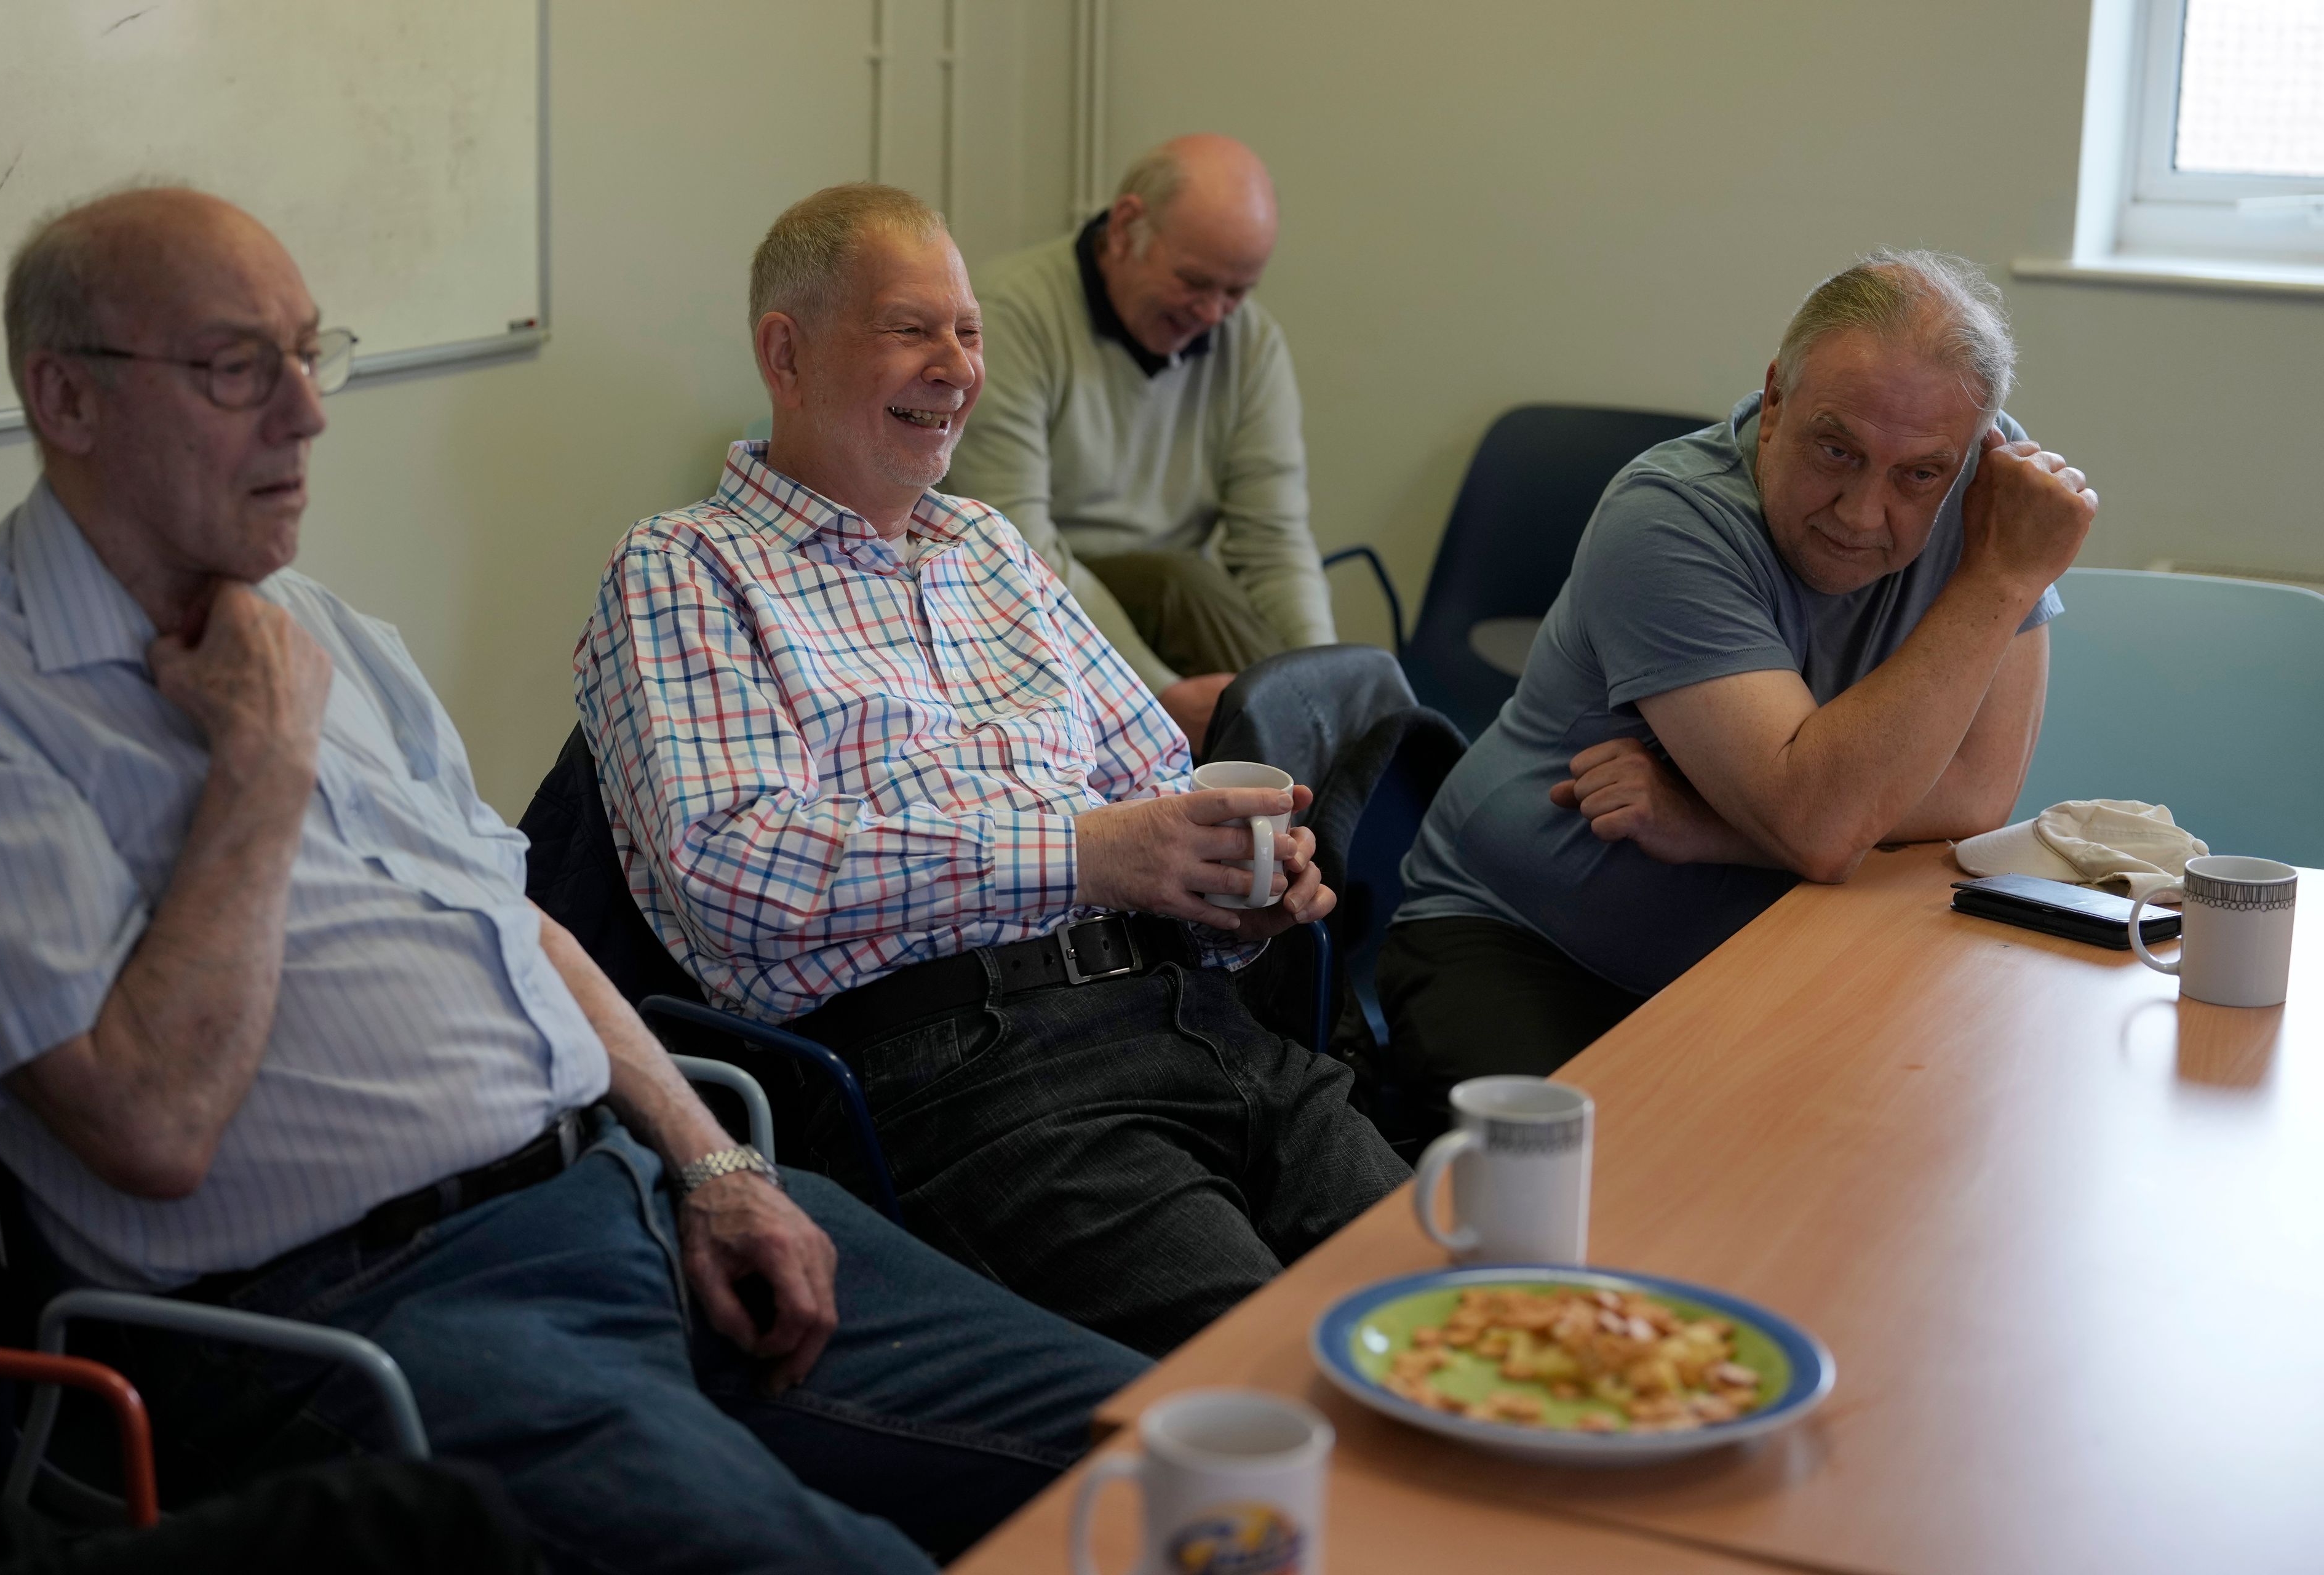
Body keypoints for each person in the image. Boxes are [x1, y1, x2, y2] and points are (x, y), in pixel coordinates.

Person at [0, 186, 1148, 1575]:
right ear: (67, 398)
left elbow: (517, 922)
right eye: (238, 368)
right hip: (374, 1307)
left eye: (309, 353)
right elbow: (150, 1126)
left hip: (629, 1191)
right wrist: (261, 770)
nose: (307, 413)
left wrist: (711, 1161)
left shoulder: (316, 623)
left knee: (1169, 1448)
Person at [575, 183, 1406, 1360]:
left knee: (1471, 1306)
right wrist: (1090, 851)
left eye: (968, 332)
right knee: (1287, 1383)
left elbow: (1162, 787)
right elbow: (732, 871)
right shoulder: (685, 569)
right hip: (971, 1077)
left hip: (1195, 1020)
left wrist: (1241, 892)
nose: (956, 367)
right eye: (912, 330)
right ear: (786, 351)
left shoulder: (990, 549)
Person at [1378, 249, 2096, 1135]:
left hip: (1756, 943)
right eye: (1836, 449)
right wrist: (1997, 585)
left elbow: (1977, 797)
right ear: (1775, 403)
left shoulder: (1992, 504)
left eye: (1919, 475)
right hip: (1519, 936)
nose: (1862, 512)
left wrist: (1717, 828)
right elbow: (1825, 826)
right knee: (1586, 1199)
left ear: (1972, 454)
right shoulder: (1666, 517)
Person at [943, 135, 1332, 750]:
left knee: (1292, 675)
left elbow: (1274, 542)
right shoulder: (1011, 316)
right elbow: (1019, 545)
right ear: (1125, 228)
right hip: (1018, 605)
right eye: (1195, 281)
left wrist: (1328, 671)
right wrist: (1153, 692)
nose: (1212, 312)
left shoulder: (1251, 343)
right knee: (1184, 586)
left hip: (1169, 617)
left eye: (1237, 292)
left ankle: (1334, 743)